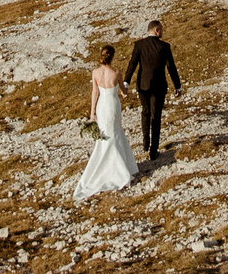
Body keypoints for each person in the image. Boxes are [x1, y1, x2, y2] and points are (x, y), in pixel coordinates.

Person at [72, 44, 137, 199]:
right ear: (112, 56)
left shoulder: (95, 72)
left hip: (102, 105)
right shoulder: (116, 73)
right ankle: (120, 168)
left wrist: (92, 112)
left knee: (105, 135)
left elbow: (95, 92)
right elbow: (123, 90)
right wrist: (125, 90)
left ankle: (105, 167)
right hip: (113, 104)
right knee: (116, 133)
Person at [123, 18, 183, 161]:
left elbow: (132, 64)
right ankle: (153, 151)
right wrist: (178, 85)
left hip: (143, 85)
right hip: (159, 86)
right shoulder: (164, 47)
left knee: (145, 112)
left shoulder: (139, 45)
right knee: (155, 116)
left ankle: (145, 143)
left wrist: (126, 82)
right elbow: (171, 68)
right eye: (161, 29)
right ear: (157, 30)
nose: (162, 31)